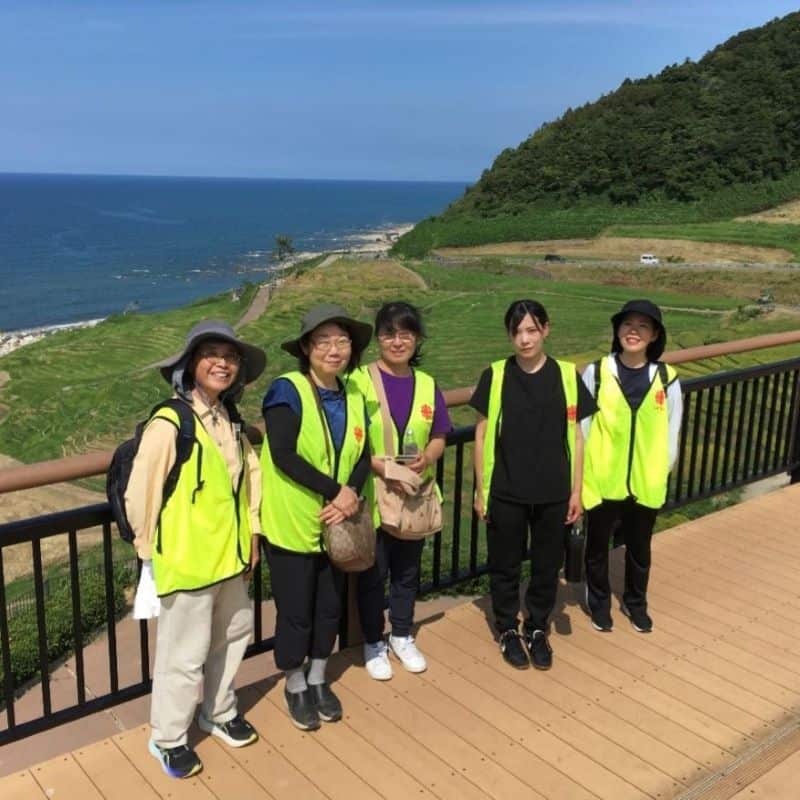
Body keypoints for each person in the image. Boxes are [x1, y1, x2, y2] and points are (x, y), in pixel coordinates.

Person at [126, 320, 266, 780]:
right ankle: (168, 737)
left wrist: (253, 536)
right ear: (190, 364)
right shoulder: (170, 422)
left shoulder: (230, 418)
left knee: (233, 636)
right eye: (211, 354)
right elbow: (140, 494)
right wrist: (149, 556)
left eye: (230, 356)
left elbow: (248, 482)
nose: (222, 363)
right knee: (183, 656)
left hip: (230, 557)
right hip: (187, 560)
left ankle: (219, 710)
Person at [261, 303, 372, 731]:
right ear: (306, 347)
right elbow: (283, 454)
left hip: (338, 521)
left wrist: (351, 495)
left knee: (329, 607)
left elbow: (363, 452)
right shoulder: (286, 390)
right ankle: (293, 683)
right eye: (323, 341)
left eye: (342, 341)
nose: (334, 349)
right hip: (293, 521)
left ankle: (318, 677)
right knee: (296, 611)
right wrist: (337, 492)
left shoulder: (355, 393)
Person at [470, 299, 596, 670]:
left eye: (531, 330)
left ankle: (537, 628)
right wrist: (481, 491)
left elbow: (576, 436)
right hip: (506, 490)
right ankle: (508, 629)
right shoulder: (495, 375)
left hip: (554, 491)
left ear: (545, 330)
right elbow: (480, 435)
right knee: (504, 565)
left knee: (546, 565)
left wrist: (576, 491)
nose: (524, 339)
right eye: (517, 332)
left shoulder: (566, 376)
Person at [352, 301, 452, 681]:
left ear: (417, 338)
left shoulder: (426, 384)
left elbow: (441, 433)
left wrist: (427, 457)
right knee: (373, 573)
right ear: (378, 338)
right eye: (390, 333)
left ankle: (403, 634)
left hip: (415, 496)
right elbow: (349, 438)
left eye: (406, 333)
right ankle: (374, 641)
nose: (398, 341)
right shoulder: (359, 380)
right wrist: (382, 466)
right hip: (373, 496)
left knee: (408, 572)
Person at [581, 299, 683, 633]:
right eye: (627, 324)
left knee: (639, 548)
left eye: (643, 326)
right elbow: (582, 429)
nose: (633, 332)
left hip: (645, 480)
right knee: (596, 547)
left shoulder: (666, 378)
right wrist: (583, 474)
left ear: (654, 335)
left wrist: (660, 471)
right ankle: (598, 604)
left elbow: (672, 429)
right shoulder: (597, 372)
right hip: (601, 477)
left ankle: (635, 602)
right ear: (617, 330)